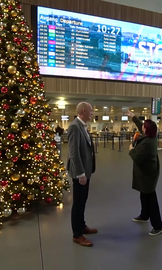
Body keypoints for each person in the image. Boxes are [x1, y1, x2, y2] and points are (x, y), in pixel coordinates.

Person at [127, 111, 162, 236]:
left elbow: (137, 157)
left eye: (144, 126)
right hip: (146, 174)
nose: (141, 127)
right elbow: (140, 126)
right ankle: (144, 215)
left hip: (148, 175)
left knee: (151, 199)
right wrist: (133, 117)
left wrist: (131, 150)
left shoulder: (148, 142)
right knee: (144, 195)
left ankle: (158, 226)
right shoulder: (149, 136)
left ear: (146, 129)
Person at [67, 102, 97, 247]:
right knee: (78, 203)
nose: (92, 113)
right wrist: (80, 174)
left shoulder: (83, 126)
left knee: (83, 200)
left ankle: (82, 225)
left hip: (86, 171)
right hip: (80, 173)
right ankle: (77, 234)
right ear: (84, 111)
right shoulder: (74, 127)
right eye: (91, 111)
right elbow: (74, 153)